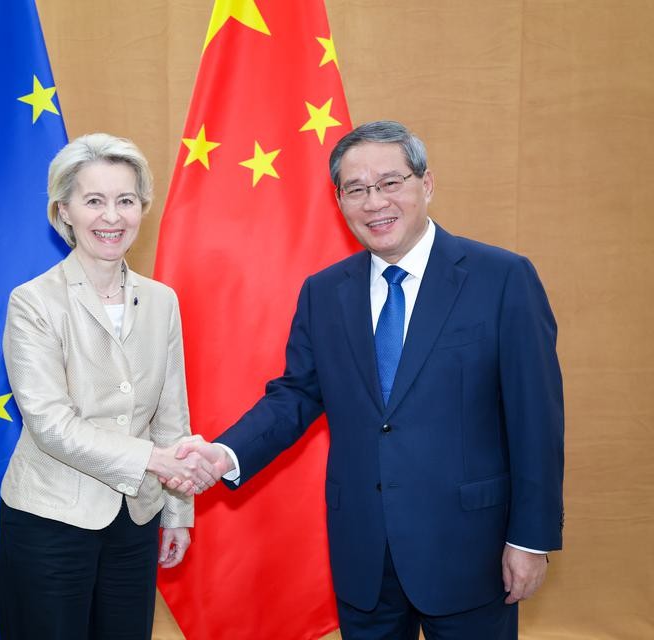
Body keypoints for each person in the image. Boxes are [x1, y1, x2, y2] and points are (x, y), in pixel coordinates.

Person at [173, 121, 564, 639]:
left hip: (472, 551)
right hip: (364, 552)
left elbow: (537, 420)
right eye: (356, 189)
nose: (374, 202)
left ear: (426, 184)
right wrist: (225, 454)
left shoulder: (502, 278)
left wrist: (530, 539)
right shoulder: (324, 292)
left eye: (390, 183)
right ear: (339, 201)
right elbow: (296, 395)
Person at [0, 133, 217, 640]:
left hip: (137, 517)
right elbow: (51, 425)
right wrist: (154, 460)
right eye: (94, 201)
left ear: (142, 208)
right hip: (50, 518)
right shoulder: (32, 301)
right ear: (64, 211)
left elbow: (171, 414)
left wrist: (177, 511)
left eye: (126, 200)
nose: (112, 217)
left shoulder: (162, 301)